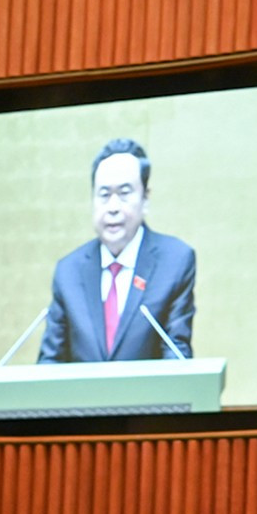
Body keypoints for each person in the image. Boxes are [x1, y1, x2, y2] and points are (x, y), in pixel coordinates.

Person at [38, 138, 198, 364]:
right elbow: (50, 362)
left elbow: (176, 354)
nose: (113, 207)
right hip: (82, 399)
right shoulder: (68, 271)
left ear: (145, 199)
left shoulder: (175, 261)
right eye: (104, 194)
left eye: (124, 193)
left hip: (150, 398)